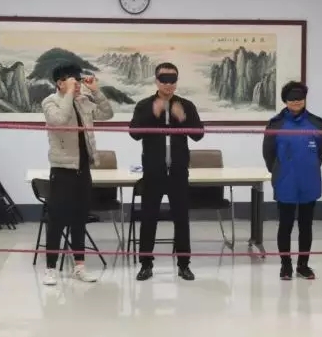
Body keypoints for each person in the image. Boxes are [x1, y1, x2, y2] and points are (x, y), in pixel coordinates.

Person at [129, 62, 204, 281]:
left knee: (181, 218)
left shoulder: (186, 105)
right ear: (156, 81)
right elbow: (134, 133)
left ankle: (184, 265)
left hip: (178, 172)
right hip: (153, 172)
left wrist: (184, 119)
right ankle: (145, 264)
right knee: (148, 218)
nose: (168, 85)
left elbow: (198, 134)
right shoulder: (144, 105)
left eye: (172, 80)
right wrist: (153, 115)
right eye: (164, 80)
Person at [41, 63, 114, 286]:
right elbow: (60, 121)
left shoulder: (83, 101)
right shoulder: (50, 102)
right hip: (62, 169)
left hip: (84, 168)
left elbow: (107, 114)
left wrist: (96, 91)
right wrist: (69, 95)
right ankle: (51, 268)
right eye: (73, 80)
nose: (77, 84)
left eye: (78, 80)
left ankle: (79, 266)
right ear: (59, 83)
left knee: (79, 218)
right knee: (57, 219)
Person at [262, 81, 322, 280]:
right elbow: (268, 154)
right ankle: (286, 266)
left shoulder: (317, 124)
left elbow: (320, 153)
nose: (296, 101)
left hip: (309, 180)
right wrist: (278, 172)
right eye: (292, 98)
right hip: (285, 180)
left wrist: (310, 167)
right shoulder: (276, 124)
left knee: (306, 225)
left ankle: (303, 265)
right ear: (285, 101)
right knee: (285, 225)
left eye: (300, 98)